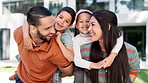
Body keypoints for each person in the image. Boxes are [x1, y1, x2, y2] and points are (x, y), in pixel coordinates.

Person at [10, 7, 76, 83]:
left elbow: (70, 60)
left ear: (70, 26)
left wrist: (59, 42)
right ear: (55, 16)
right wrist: (26, 36)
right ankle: (17, 72)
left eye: (66, 21)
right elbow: (28, 21)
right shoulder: (20, 33)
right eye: (61, 17)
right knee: (22, 58)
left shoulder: (63, 38)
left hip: (46, 75)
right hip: (21, 78)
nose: (53, 31)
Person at [80, 10, 140, 83]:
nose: (89, 29)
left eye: (93, 24)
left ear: (107, 27)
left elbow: (134, 69)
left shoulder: (130, 51)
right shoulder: (84, 50)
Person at [73, 9, 123, 83]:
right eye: (81, 21)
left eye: (89, 22)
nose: (85, 24)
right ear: (76, 25)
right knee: (79, 74)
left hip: (98, 65)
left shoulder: (98, 35)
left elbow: (119, 37)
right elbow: (77, 60)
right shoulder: (77, 39)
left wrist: (112, 55)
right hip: (84, 66)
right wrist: (94, 65)